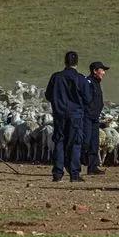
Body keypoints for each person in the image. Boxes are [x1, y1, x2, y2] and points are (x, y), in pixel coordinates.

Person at [45, 51, 92, 182]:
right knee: (75, 143)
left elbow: (48, 95)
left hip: (59, 114)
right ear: (77, 63)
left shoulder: (56, 77)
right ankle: (74, 174)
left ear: (65, 62)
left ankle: (57, 173)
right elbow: (88, 98)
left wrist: (58, 101)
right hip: (76, 115)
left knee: (59, 141)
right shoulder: (81, 79)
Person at [83, 61, 109, 175]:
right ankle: (75, 162)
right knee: (86, 141)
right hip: (87, 117)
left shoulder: (97, 83)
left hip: (95, 118)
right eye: (102, 70)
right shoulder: (87, 82)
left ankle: (92, 167)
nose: (104, 73)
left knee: (94, 143)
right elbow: (86, 100)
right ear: (94, 71)